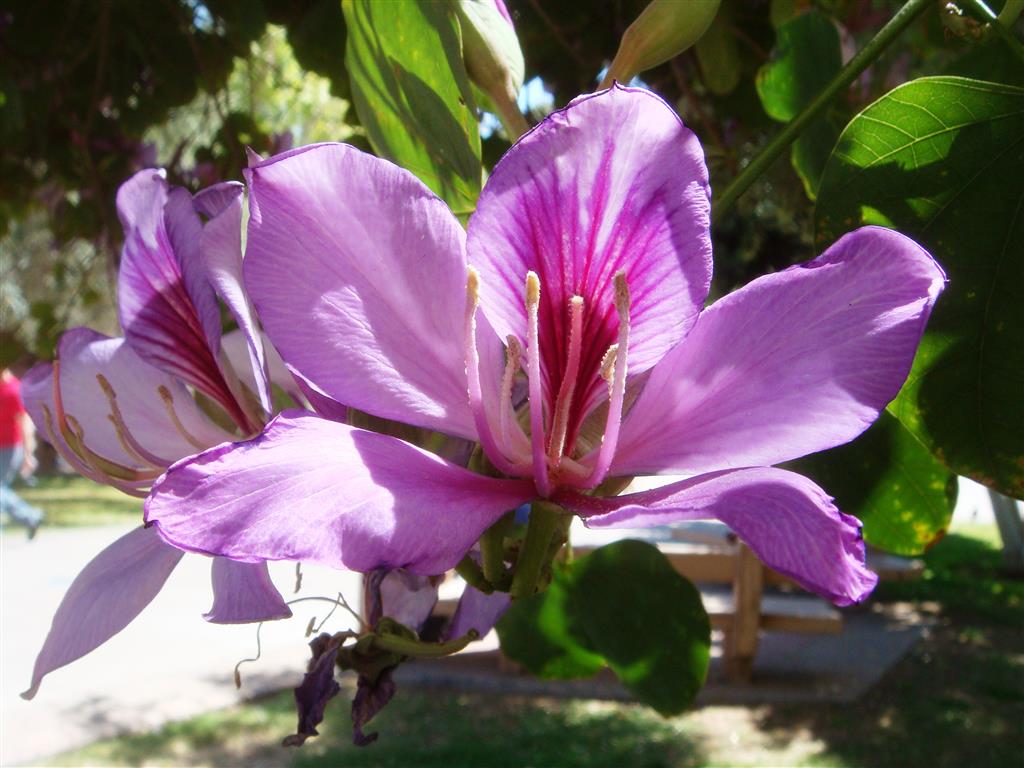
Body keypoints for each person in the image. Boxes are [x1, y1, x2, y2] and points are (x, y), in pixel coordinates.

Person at [1, 368, 44, 538]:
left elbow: (26, 424)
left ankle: (30, 516)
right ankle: (31, 516)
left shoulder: (14, 390)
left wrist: (28, 454)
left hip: (10, 448)